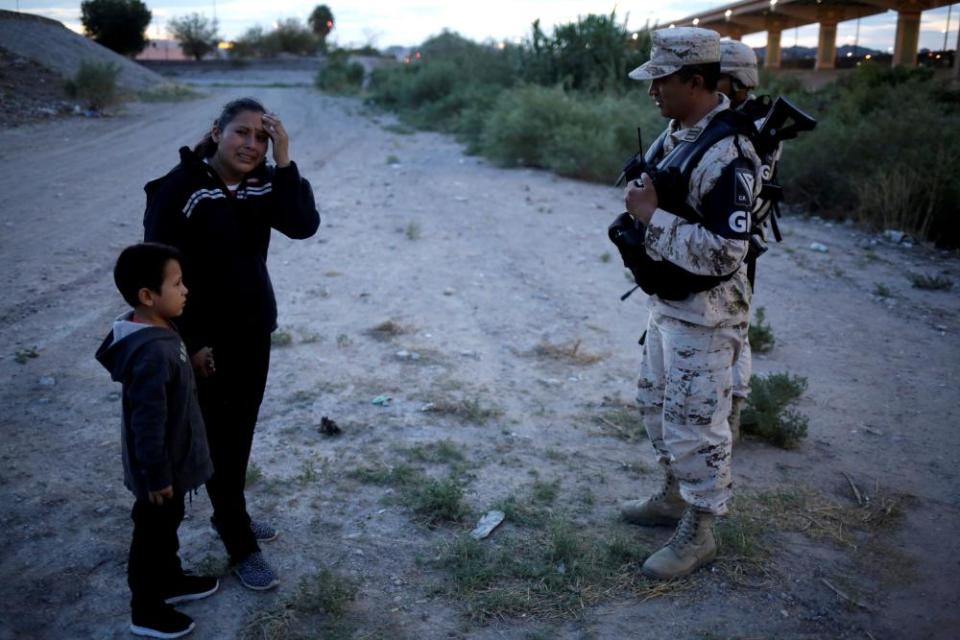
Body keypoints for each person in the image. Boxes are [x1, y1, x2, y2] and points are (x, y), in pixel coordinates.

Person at [143, 98, 320, 591]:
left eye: (262, 137)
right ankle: (231, 543)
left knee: (238, 430)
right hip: (202, 340)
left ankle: (230, 512)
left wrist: (284, 161)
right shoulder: (183, 187)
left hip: (251, 330)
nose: (251, 145)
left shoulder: (264, 182)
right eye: (241, 133)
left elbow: (303, 225)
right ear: (216, 132)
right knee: (202, 439)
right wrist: (193, 341)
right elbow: (156, 270)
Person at [617, 27, 762, 579]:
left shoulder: (731, 153)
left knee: (697, 423)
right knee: (655, 402)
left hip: (709, 312)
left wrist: (653, 216)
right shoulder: (678, 132)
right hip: (670, 303)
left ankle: (700, 530)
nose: (652, 91)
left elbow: (727, 251)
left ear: (695, 81)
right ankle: (673, 495)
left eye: (662, 80)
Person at [96, 242, 218, 639]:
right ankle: (146, 610)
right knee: (152, 534)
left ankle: (169, 580)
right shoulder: (149, 354)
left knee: (168, 525)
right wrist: (157, 475)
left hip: (171, 464)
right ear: (147, 296)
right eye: (177, 284)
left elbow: (172, 373)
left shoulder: (160, 327)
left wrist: (191, 362)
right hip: (159, 471)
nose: (186, 290)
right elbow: (146, 423)